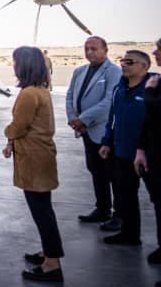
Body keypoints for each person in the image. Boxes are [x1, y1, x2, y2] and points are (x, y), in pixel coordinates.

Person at [3, 46, 63, 282]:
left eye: (15, 62)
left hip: (34, 159)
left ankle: (52, 264)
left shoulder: (28, 93)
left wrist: (7, 133)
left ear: (25, 65)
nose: (13, 66)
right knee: (44, 210)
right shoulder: (41, 90)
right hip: (41, 156)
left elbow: (18, 126)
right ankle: (48, 252)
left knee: (42, 213)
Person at [65, 36, 123, 230]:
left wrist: (83, 120)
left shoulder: (113, 71)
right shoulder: (79, 71)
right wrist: (74, 118)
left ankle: (119, 214)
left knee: (113, 175)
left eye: (94, 49)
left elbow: (109, 102)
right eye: (86, 48)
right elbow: (70, 96)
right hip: (86, 132)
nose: (89, 52)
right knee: (95, 171)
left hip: (103, 132)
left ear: (105, 51)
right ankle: (102, 209)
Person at [98, 50, 152, 246]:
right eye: (122, 60)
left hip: (148, 154)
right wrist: (106, 141)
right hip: (122, 152)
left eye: (130, 61)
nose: (123, 64)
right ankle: (130, 235)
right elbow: (112, 118)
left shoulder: (153, 90)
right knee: (126, 195)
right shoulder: (119, 90)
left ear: (144, 66)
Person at [134, 39, 161, 264]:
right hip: (153, 154)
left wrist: (150, 94)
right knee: (158, 203)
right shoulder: (157, 81)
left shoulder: (153, 85)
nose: (155, 52)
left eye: (160, 50)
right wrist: (141, 149)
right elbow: (149, 121)